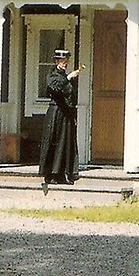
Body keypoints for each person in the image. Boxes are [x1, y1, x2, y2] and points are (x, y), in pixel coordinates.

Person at [39, 49, 81, 190]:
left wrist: (73, 115)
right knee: (54, 142)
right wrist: (68, 78)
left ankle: (62, 174)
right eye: (62, 61)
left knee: (65, 143)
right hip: (56, 113)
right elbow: (55, 88)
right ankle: (51, 175)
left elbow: (70, 96)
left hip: (66, 113)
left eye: (66, 61)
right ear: (57, 61)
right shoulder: (52, 75)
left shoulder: (64, 77)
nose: (65, 64)